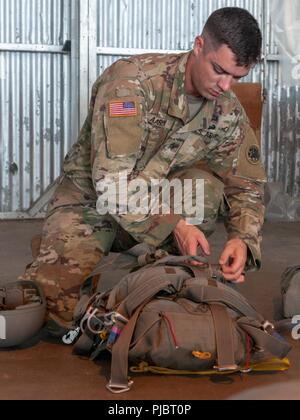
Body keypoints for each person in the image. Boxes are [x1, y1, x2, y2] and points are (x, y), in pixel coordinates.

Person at [20, 7, 267, 330]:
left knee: (204, 189)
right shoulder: (132, 83)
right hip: (93, 202)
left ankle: (156, 270)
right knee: (51, 315)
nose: (225, 86)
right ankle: (61, 244)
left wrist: (243, 240)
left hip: (154, 201)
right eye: (219, 70)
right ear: (198, 46)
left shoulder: (226, 111)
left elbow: (246, 184)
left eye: (236, 78)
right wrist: (175, 225)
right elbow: (112, 184)